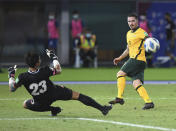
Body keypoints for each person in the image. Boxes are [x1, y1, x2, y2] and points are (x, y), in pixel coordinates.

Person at [8, 50, 112, 116]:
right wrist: (53, 57)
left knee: (25, 104)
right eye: (39, 60)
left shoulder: (22, 77)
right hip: (55, 92)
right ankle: (102, 108)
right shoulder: (44, 70)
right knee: (78, 96)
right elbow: (58, 70)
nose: (40, 60)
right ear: (37, 63)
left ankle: (53, 109)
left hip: (41, 101)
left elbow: (12, 88)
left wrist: (11, 75)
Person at [109, 13, 154, 110]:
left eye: (133, 21)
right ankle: (149, 102)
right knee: (136, 84)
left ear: (137, 21)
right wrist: (120, 58)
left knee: (120, 74)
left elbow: (150, 40)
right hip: (139, 62)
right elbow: (128, 49)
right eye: (129, 21)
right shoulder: (128, 34)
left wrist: (152, 43)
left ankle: (119, 98)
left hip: (136, 60)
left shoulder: (142, 32)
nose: (131, 23)